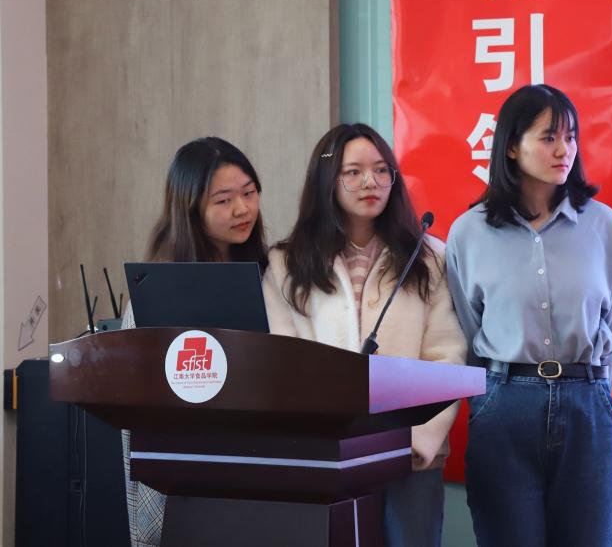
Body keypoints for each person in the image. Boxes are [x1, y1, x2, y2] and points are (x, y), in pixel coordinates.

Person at [262, 123, 466, 547]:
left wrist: (422, 438)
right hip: (324, 455)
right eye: (353, 172)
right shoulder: (286, 263)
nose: (370, 182)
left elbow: (447, 355)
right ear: (327, 179)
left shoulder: (429, 257)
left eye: (381, 170)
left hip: (410, 455)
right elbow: (281, 360)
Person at [445, 84, 612, 547]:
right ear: (511, 146)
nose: (564, 150)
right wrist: (491, 397)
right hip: (505, 405)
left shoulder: (603, 225)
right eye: (549, 137)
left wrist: (594, 392)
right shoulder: (469, 232)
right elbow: (468, 329)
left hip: (588, 404)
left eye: (571, 137)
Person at [121, 136, 268, 547]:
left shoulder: (270, 275)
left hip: (258, 468)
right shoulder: (157, 291)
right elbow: (138, 408)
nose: (242, 209)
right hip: (184, 476)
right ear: (190, 209)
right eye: (223, 200)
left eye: (249, 193)